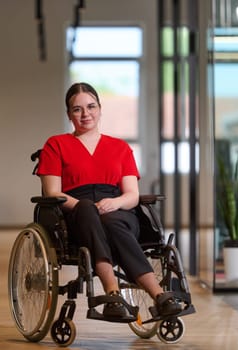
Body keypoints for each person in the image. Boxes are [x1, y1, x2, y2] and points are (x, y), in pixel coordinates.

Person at [36, 82, 182, 319]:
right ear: (69, 115)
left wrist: (115, 203)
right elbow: (53, 193)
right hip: (75, 212)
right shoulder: (56, 144)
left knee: (113, 221)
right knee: (87, 210)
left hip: (118, 209)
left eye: (91, 106)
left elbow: (132, 194)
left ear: (100, 109)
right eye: (77, 109)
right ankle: (112, 292)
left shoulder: (120, 147)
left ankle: (158, 296)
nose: (86, 114)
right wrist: (87, 207)